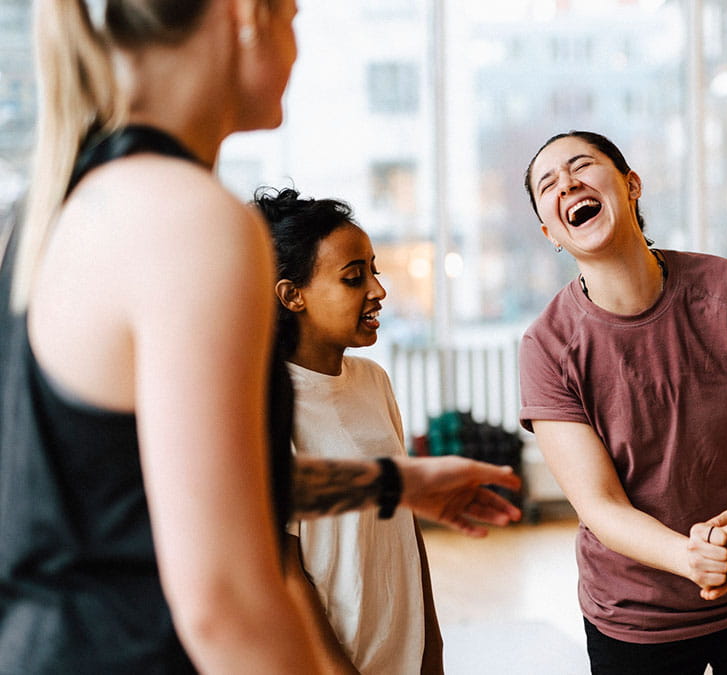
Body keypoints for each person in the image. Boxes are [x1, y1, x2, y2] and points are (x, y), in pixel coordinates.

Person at [0, 1, 518, 672]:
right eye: (294, 16)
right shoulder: (188, 218)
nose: (298, 47)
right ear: (245, 16)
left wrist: (397, 482)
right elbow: (226, 602)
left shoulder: (61, 205)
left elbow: (173, 490)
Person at [518, 130, 727, 674]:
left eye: (582, 166)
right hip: (637, 616)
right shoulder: (546, 346)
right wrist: (691, 557)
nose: (567, 183)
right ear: (551, 232)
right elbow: (600, 505)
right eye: (549, 184)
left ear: (631, 185)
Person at [258, 187, 523, 674]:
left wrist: (432, 646)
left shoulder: (373, 382)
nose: (378, 290)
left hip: (401, 651)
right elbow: (284, 566)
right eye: (353, 278)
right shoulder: (264, 402)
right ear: (292, 294)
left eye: (373, 272)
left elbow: (405, 524)